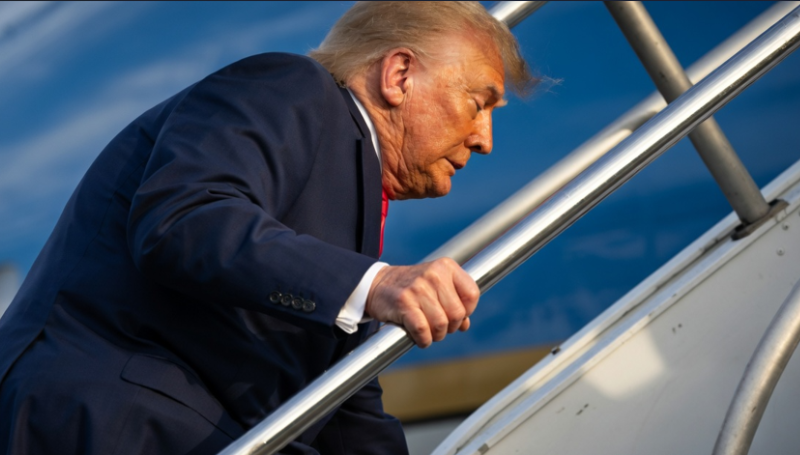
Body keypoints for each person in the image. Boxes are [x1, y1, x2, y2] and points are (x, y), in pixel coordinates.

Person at [0, 2, 532, 454]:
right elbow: (183, 220)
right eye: (478, 103)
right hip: (111, 419)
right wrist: (375, 283)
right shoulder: (290, 86)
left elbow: (341, 403)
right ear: (399, 75)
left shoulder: (348, 202)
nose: (484, 139)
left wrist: (367, 287)